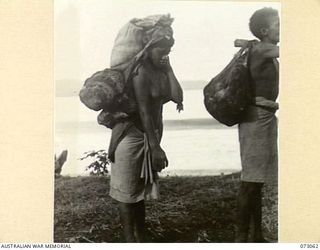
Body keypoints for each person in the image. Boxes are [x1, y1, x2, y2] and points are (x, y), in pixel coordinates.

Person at [107, 15, 183, 242]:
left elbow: (177, 96)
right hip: (130, 137)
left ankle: (140, 238)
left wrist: (169, 69)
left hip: (149, 136)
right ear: (149, 47)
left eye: (169, 50)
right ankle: (131, 240)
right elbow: (144, 111)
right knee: (128, 193)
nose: (165, 54)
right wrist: (156, 147)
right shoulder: (140, 72)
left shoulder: (160, 71)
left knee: (139, 191)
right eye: (161, 50)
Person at [235, 7, 279, 243]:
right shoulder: (262, 48)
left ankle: (256, 236)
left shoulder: (258, 47)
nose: (283, 29)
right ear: (265, 30)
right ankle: (241, 239)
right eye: (278, 25)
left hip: (263, 116)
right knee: (250, 182)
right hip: (257, 118)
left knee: (256, 181)